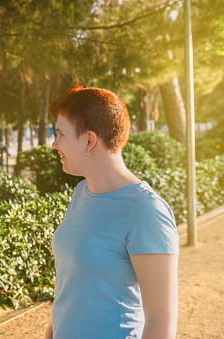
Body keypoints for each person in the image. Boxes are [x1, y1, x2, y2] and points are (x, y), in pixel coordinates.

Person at [44, 86, 179, 339]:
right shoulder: (82, 192)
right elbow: (70, 286)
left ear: (89, 140)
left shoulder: (146, 211)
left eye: (60, 133)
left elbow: (161, 323)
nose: (54, 143)